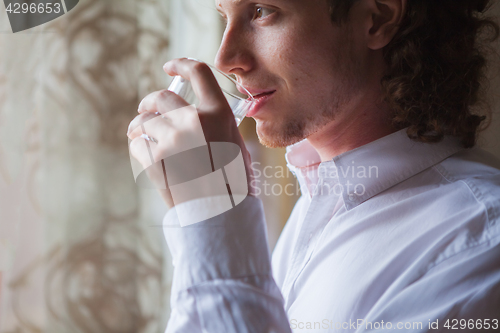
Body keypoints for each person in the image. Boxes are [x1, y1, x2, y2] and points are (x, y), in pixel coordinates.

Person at [127, 0, 500, 332]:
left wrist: (212, 216)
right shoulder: (315, 199)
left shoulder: (480, 244)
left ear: (376, 18)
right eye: (225, 15)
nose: (225, 59)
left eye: (261, 12)